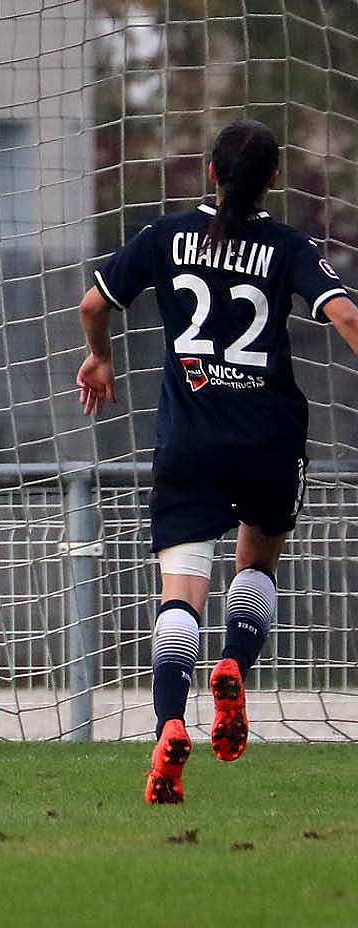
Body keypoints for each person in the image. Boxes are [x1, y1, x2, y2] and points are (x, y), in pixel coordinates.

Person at [77, 119, 358, 804]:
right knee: (256, 565)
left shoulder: (166, 237)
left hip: (189, 441)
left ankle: (170, 726)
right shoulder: (288, 246)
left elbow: (93, 301)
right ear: (273, 178)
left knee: (180, 594)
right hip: (268, 437)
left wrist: (102, 356)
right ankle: (232, 663)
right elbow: (347, 317)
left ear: (209, 172)